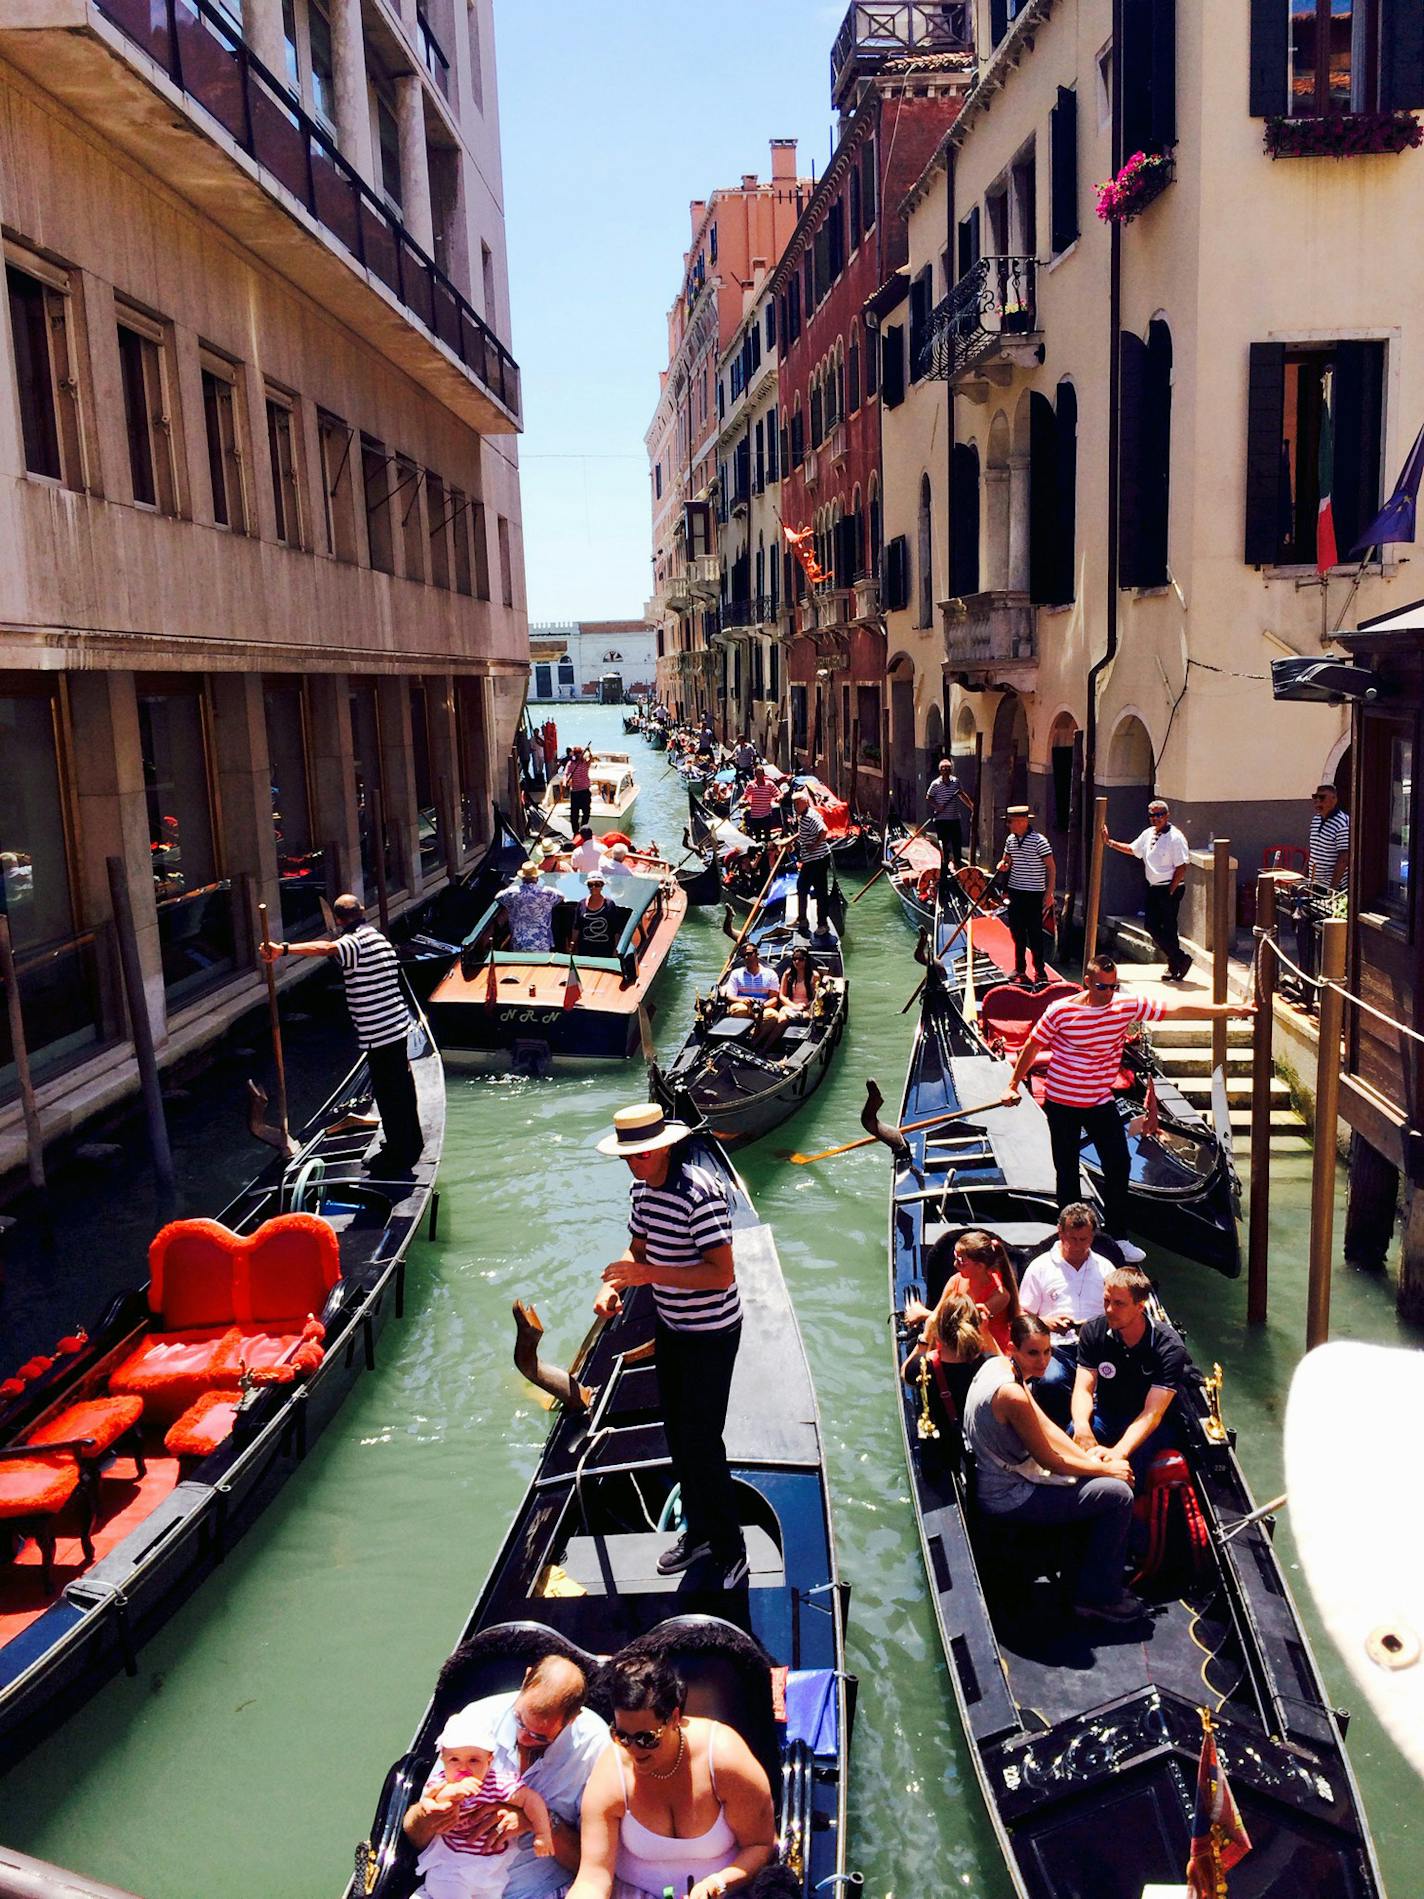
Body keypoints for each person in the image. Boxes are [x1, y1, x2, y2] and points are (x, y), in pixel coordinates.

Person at [1002, 955, 1253, 1263]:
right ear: (1088, 983)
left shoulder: (1124, 1006)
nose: (1109, 992)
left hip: (1099, 1101)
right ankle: (1066, 1236)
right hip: (1062, 1102)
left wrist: (1228, 1010)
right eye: (1103, 987)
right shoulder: (1061, 1011)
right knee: (1066, 1171)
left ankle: (1119, 1236)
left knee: (1119, 1165)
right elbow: (1032, 1046)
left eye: (1114, 986)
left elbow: (1175, 1010)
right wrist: (1013, 1085)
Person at [596, 1105, 747, 1587]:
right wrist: (615, 1285)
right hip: (672, 1328)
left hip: (712, 1333)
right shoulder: (642, 1191)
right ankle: (699, 1531)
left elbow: (721, 1274)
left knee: (704, 1443)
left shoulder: (698, 1194)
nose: (632, 1164)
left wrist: (649, 1274)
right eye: (627, 1156)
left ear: (662, 1147)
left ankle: (731, 1549)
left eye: (638, 1155)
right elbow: (637, 1250)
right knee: (679, 1438)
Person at [963, 1314, 1140, 1622]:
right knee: (1119, 1495)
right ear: (1012, 1348)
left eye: (1047, 1351)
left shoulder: (998, 1366)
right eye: (1033, 1352)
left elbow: (1045, 1425)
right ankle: (1098, 1597)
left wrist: (1090, 1460)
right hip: (1009, 1496)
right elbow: (1049, 1460)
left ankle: (1081, 1571)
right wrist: (1107, 1471)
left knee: (1096, 1480)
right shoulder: (1012, 1394)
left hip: (997, 1479)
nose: (1043, 1360)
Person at [567, 1653, 776, 1899]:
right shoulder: (611, 1771)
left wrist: (718, 1883)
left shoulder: (724, 1759)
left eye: (646, 1738)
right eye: (622, 1735)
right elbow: (593, 1877)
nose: (633, 1749)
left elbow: (760, 1846)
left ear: (674, 1718)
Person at [403, 1655, 609, 1899]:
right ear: (525, 1680)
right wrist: (429, 1816)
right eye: (519, 1721)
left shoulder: (595, 1746)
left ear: (573, 1719)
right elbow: (414, 1835)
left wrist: (537, 1821)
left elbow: (596, 1867)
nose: (524, 1737)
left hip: (538, 1890)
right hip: (451, 1881)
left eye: (539, 1737)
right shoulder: (476, 1719)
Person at [262, 893, 421, 1172]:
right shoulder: (377, 936)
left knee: (388, 1093)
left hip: (379, 1031)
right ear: (361, 911)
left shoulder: (353, 942)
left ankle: (399, 1153)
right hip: (397, 1024)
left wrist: (283, 950)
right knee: (402, 1088)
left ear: (337, 919)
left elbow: (326, 948)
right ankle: (411, 1141)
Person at [408, 1706, 554, 1899]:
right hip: (451, 1863)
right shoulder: (442, 1783)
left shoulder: (498, 1783)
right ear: (443, 1759)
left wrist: (543, 1833)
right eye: (454, 1760)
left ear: (489, 1760)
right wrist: (453, 1792)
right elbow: (436, 1800)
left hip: (491, 1868)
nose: (464, 1767)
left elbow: (531, 1799)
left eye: (474, 1760)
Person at [1072, 1266, 1192, 1484]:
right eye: (1107, 1300)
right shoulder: (1093, 1330)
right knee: (1074, 1433)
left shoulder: (1168, 1348)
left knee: (1131, 1469)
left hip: (1147, 1425)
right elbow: (1083, 1388)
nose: (1109, 1309)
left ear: (1140, 1306)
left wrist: (1119, 1452)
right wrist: (1082, 1427)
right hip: (1106, 1415)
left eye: (1119, 1303)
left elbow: (1152, 1414)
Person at [1016, 1205, 1116, 1427]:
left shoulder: (1105, 1268)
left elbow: (1117, 1311)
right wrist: (1045, 1324)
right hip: (1055, 1348)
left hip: (1099, 1346)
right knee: (1052, 1381)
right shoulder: (1039, 1267)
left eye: (1085, 1240)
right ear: (1060, 1232)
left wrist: (1093, 1326)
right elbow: (1023, 1314)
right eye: (1074, 1239)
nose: (1080, 1246)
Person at [1101, 799, 1192, 982]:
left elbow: (1182, 867)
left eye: (1159, 815)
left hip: (1169, 888)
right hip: (1153, 888)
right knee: (1151, 926)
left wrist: (1170, 890)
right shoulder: (1148, 834)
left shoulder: (1175, 837)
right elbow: (1133, 849)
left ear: (1166, 816)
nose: (1155, 818)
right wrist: (1109, 843)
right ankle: (1179, 959)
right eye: (1152, 815)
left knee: (1169, 928)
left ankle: (1175, 965)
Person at [904, 1230, 1019, 1352]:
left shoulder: (1000, 1295)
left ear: (980, 1266)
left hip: (988, 1351)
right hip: (959, 1345)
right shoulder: (955, 1280)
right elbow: (938, 1315)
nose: (955, 1265)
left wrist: (922, 1313)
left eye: (960, 1261)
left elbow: (965, 1321)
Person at [901, 1288, 999, 1423]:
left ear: (939, 1330)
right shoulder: (988, 1365)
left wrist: (926, 1336)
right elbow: (1007, 1372)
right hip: (976, 1442)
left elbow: (906, 1376)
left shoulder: (923, 1365)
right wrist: (986, 1332)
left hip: (938, 1441)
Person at [996, 806, 1055, 986]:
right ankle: (1020, 968)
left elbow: (1051, 868)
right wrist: (1002, 865)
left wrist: (1049, 893)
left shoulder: (1040, 842)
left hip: (1034, 894)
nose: (1008, 825)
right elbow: (1006, 860)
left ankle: (1040, 971)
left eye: (1010, 822)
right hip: (1015, 891)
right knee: (1017, 932)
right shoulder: (1010, 840)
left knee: (1035, 933)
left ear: (1023, 822)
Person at [788, 789, 832, 935]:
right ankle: (802, 919)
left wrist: (814, 845)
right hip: (810, 860)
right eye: (794, 804)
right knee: (802, 887)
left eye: (797, 803)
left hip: (818, 859)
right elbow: (804, 831)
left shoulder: (810, 816)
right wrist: (790, 839)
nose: (795, 806)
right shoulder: (804, 815)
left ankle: (822, 924)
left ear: (805, 803)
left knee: (820, 891)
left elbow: (824, 830)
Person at [498, 862, 563, 953]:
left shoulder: (512, 892)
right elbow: (560, 896)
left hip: (519, 942)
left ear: (522, 878)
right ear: (536, 877)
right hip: (541, 942)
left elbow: (498, 897)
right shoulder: (547, 892)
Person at [926, 758, 973, 874]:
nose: (946, 771)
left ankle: (958, 866)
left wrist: (972, 807)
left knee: (957, 843)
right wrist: (938, 807)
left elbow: (962, 795)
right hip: (941, 820)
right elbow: (929, 797)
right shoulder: (935, 784)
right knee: (944, 844)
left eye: (948, 769)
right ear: (940, 771)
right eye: (943, 769)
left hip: (954, 819)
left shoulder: (956, 782)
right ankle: (945, 867)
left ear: (951, 770)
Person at [1308, 782, 1350, 892]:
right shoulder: (1316, 820)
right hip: (1315, 882)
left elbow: (1344, 859)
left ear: (1334, 799)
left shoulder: (1342, 824)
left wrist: (1332, 889)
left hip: (1332, 886)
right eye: (1315, 797)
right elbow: (1313, 851)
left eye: (1322, 798)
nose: (1317, 801)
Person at [572, 875, 619, 957]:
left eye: (597, 884)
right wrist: (573, 944)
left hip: (605, 950)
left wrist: (616, 949)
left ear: (602, 886)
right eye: (590, 885)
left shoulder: (609, 904)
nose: (593, 887)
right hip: (584, 949)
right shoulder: (581, 904)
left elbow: (615, 929)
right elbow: (577, 927)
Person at [743, 766, 779, 843]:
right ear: (755, 775)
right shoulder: (751, 785)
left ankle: (768, 852)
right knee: (757, 837)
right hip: (755, 816)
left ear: (763, 774)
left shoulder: (769, 784)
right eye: (757, 774)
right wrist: (742, 801)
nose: (759, 776)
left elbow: (777, 794)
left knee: (767, 837)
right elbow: (744, 796)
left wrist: (778, 798)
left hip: (767, 815)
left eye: (761, 774)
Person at [565, 748, 593, 832]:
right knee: (574, 815)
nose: (577, 756)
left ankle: (583, 828)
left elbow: (591, 758)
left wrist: (589, 751)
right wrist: (565, 781)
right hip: (575, 792)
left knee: (586, 812)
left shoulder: (585, 763)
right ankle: (575, 831)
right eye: (576, 754)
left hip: (585, 791)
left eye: (579, 754)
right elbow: (566, 774)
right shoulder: (571, 764)